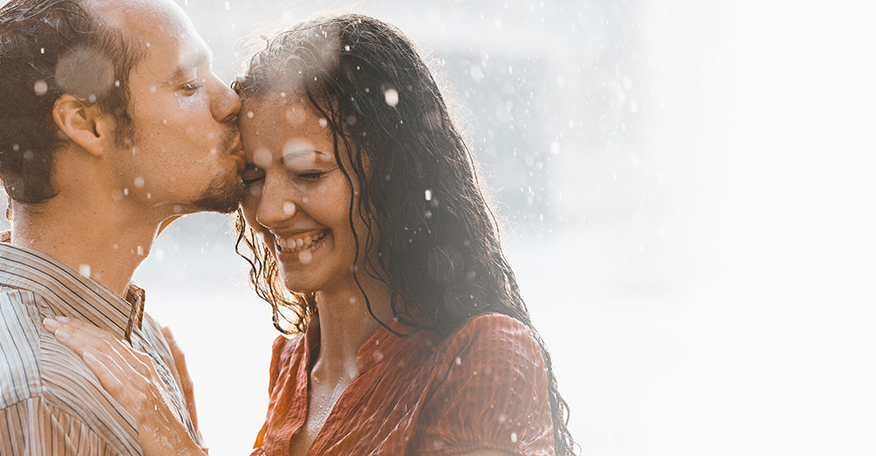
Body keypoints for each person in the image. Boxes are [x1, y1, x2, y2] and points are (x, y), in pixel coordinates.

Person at [43, 14, 579, 456]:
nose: (270, 210)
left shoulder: (488, 356)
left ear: (391, 176)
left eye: (309, 173)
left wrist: (175, 444)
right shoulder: (293, 362)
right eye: (253, 177)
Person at [0, 0, 245, 454]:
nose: (229, 101)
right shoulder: (48, 401)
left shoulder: (122, 347)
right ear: (86, 123)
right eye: (188, 85)